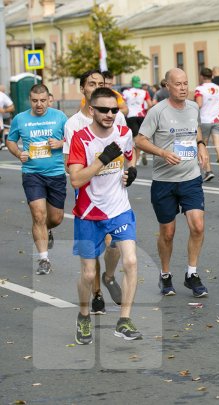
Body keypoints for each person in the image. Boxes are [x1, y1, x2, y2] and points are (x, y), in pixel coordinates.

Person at [67, 87, 141, 344]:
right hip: (89, 213)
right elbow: (76, 180)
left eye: (114, 109)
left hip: (119, 208)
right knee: (88, 274)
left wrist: (130, 174)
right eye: (104, 110)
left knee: (131, 261)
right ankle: (84, 315)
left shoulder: (124, 133)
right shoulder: (80, 138)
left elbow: (131, 159)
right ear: (91, 110)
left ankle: (124, 320)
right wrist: (102, 160)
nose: (110, 114)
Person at [135, 68, 210, 298]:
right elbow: (139, 140)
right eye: (178, 84)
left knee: (197, 225)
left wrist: (201, 145)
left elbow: (195, 129)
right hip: (164, 181)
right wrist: (161, 152)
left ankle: (192, 274)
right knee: (167, 233)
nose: (183, 88)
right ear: (167, 86)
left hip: (190, 177)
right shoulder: (157, 111)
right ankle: (166, 275)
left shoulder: (193, 107)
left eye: (186, 83)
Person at [63, 69, 126, 315]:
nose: (97, 87)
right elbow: (72, 169)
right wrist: (97, 165)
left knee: (115, 245)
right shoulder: (73, 124)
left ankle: (109, 276)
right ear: (83, 89)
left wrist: (127, 173)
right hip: (88, 199)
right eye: (91, 84)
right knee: (93, 256)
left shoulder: (115, 118)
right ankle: (97, 292)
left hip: (114, 196)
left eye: (101, 83)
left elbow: (126, 152)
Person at [6, 84, 67, 275]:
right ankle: (43, 259)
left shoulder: (60, 117)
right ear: (29, 100)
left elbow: (75, 138)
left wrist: (61, 143)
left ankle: (45, 230)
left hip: (56, 173)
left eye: (42, 100)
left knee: (55, 218)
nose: (39, 105)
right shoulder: (20, 119)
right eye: (34, 101)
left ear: (49, 98)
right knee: (38, 215)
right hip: (32, 173)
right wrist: (18, 153)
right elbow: (10, 140)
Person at [195, 67, 219, 183]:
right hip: (217, 119)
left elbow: (199, 104)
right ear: (211, 76)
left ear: (201, 76)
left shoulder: (199, 89)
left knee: (203, 146)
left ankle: (208, 171)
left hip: (205, 120)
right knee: (218, 145)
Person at [123, 76, 152, 167]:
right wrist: (146, 112)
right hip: (142, 116)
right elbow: (150, 104)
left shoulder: (126, 92)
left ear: (132, 82)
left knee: (135, 139)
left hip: (131, 116)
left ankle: (135, 162)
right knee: (142, 137)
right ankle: (142, 151)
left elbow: (122, 104)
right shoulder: (144, 92)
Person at [0, 84, 15, 149]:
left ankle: (4, 143)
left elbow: (12, 107)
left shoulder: (2, 95)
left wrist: (4, 110)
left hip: (5, 116)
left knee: (6, 129)